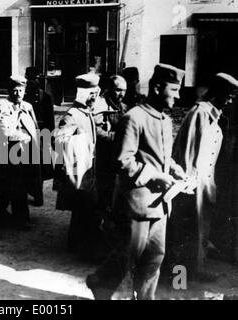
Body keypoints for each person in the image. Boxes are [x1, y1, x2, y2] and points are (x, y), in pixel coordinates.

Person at [86, 63, 186, 300]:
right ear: (157, 87)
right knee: (128, 255)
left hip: (160, 204)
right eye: (174, 90)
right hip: (137, 203)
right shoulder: (133, 118)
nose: (178, 96)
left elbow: (161, 156)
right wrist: (156, 175)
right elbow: (123, 161)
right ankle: (99, 282)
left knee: (156, 256)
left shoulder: (164, 120)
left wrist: (174, 168)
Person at [168, 73, 238, 281]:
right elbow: (187, 150)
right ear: (218, 92)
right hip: (193, 183)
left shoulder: (213, 114)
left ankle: (193, 270)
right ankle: (177, 281)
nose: (231, 100)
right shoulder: (199, 113)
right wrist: (188, 185)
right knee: (187, 230)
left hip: (204, 183)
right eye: (230, 94)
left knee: (199, 229)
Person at [53, 73, 102, 259]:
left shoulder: (87, 113)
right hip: (79, 170)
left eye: (95, 94)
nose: (94, 98)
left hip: (89, 170)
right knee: (84, 207)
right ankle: (81, 247)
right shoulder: (72, 115)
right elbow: (58, 140)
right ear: (82, 94)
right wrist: (76, 147)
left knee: (85, 208)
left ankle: (76, 244)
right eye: (90, 94)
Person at [0, 75, 41, 230]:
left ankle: (0, 211)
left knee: (16, 184)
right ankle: (21, 219)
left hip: (27, 152)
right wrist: (23, 136)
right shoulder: (3, 106)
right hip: (10, 152)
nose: (18, 94)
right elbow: (4, 131)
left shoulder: (27, 106)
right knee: (17, 185)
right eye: (14, 91)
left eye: (21, 90)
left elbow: (35, 127)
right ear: (9, 91)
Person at [94, 75, 128, 221]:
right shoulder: (100, 106)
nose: (121, 94)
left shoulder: (124, 107)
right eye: (118, 90)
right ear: (109, 90)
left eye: (124, 91)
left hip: (118, 155)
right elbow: (95, 130)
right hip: (104, 156)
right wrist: (114, 137)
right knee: (103, 191)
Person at [24, 67, 55, 206]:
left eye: (35, 78)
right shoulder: (23, 96)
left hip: (41, 136)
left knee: (40, 167)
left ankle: (38, 195)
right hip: (25, 137)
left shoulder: (45, 97)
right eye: (29, 78)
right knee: (25, 165)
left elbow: (50, 120)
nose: (32, 81)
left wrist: (49, 137)